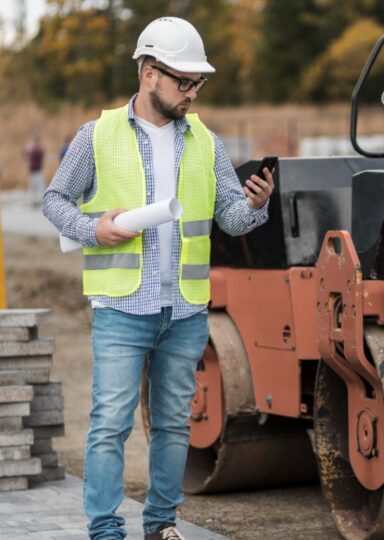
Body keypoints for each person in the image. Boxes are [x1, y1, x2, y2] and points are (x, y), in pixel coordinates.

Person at [42, 16, 274, 540]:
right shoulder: (95, 136)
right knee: (109, 427)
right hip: (121, 307)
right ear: (149, 73)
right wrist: (91, 228)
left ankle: (161, 525)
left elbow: (229, 218)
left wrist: (255, 205)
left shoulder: (206, 143)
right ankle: (105, 531)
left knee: (173, 425)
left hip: (185, 310)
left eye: (198, 83)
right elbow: (53, 200)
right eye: (183, 81)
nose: (192, 92)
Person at [24, 135, 45, 205]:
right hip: (34, 171)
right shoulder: (34, 149)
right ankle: (33, 200)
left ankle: (37, 200)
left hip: (36, 171)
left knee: (39, 186)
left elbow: (41, 155)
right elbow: (24, 156)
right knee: (35, 186)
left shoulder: (32, 149)